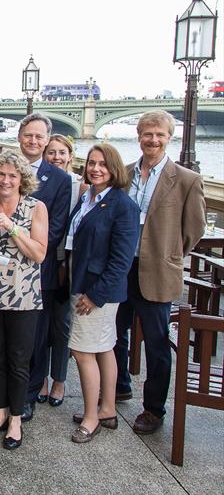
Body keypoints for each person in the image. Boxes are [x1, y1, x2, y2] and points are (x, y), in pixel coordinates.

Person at [113, 110, 205, 434]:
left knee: (156, 342)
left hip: (157, 271)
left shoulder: (185, 179)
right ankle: (120, 384)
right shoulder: (123, 174)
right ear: (139, 136)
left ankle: (153, 408)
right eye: (147, 134)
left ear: (169, 138)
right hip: (123, 267)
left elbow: (194, 229)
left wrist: (168, 254)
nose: (153, 140)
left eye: (159, 135)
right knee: (115, 333)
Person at [0, 113, 70, 422]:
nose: (33, 141)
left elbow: (57, 227)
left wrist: (23, 241)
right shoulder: (1, 169)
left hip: (36, 274)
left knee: (31, 344)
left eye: (39, 136)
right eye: (28, 135)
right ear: (20, 136)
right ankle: (3, 400)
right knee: (0, 347)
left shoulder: (60, 178)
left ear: (47, 140)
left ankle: (28, 397)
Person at [0, 151, 47, 450]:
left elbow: (39, 253)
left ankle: (16, 419)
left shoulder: (35, 208)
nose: (6, 180)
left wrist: (12, 227)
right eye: (1, 175)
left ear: (22, 180)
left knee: (19, 360)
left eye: (12, 176)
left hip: (23, 297)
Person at [66, 144, 139, 443]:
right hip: (84, 282)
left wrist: (95, 295)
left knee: (83, 352)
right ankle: (107, 408)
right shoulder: (89, 197)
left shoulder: (123, 205)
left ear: (115, 169)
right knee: (104, 348)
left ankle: (91, 417)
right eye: (92, 163)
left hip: (96, 292)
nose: (96, 169)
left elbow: (122, 260)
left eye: (103, 165)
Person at [37, 133, 90, 406]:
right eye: (51, 152)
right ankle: (41, 380)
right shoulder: (43, 182)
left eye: (61, 152)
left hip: (67, 267)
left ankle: (59, 379)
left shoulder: (80, 187)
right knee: (42, 325)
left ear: (70, 156)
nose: (56, 157)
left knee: (62, 325)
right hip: (46, 261)